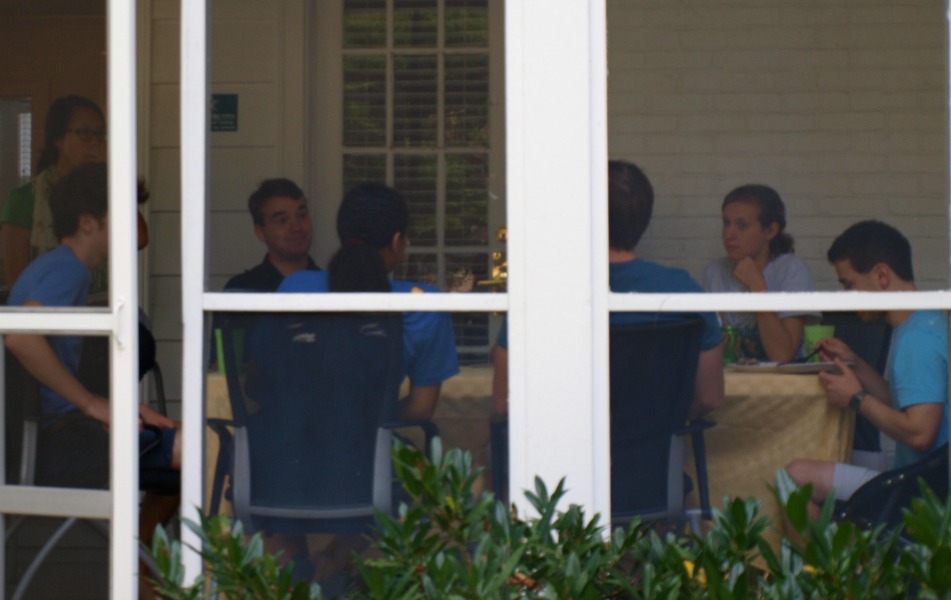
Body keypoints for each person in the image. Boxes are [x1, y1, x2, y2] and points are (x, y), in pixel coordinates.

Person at [4, 164, 180, 597]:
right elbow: (20, 336)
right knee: (191, 450)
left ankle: (136, 559)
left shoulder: (55, 267)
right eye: (121, 211)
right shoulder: (68, 270)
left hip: (56, 437)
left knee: (174, 447)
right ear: (88, 222)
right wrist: (91, 405)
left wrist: (119, 408)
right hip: (59, 446)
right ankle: (140, 564)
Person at [491, 160, 724, 420]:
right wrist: (661, 424)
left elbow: (504, 402)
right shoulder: (684, 293)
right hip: (655, 455)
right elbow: (710, 397)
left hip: (563, 449)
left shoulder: (543, 294)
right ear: (644, 217)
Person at [785, 220, 948, 516]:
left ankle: (831, 563)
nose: (847, 296)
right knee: (836, 456)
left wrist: (856, 399)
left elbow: (920, 433)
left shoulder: (917, 340)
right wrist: (856, 364)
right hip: (916, 473)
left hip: (917, 486)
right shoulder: (919, 321)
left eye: (850, 284)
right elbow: (904, 400)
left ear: (882, 275)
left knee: (793, 477)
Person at [702, 184, 819, 363]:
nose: (729, 234)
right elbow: (709, 346)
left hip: (783, 385)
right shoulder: (715, 272)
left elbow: (782, 355)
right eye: (726, 223)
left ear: (770, 231)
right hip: (733, 382)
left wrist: (757, 286)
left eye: (742, 225)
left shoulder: (792, 270)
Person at [2, 95, 106, 288]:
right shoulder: (24, 199)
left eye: (99, 134)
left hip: (106, 310)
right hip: (48, 310)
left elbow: (139, 238)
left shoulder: (104, 192)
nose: (95, 142)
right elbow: (17, 282)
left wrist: (108, 177)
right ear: (58, 138)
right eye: (84, 133)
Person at [225, 178, 319, 292]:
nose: (296, 227)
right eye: (282, 220)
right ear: (260, 232)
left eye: (302, 215)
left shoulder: (334, 285)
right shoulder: (242, 289)